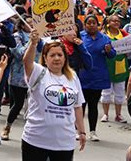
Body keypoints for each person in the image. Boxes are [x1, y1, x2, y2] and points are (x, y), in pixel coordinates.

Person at [21, 29, 86, 161]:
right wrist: (33, 44)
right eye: (52, 55)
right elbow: (27, 62)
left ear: (65, 57)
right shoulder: (39, 72)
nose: (56, 58)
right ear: (45, 58)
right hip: (36, 140)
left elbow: (78, 107)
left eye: (60, 55)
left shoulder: (72, 77)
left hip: (64, 142)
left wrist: (82, 131)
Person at [1, 15, 44, 140]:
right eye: (28, 23)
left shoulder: (38, 37)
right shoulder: (16, 37)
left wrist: (38, 41)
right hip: (19, 75)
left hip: (35, 74)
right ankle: (7, 127)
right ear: (21, 25)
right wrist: (31, 42)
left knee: (34, 105)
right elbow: (19, 54)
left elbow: (41, 51)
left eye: (33, 23)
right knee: (18, 104)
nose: (31, 26)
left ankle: (32, 132)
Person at [80, 15, 116, 141]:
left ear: (98, 24)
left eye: (93, 23)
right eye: (88, 23)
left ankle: (92, 131)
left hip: (98, 76)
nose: (91, 25)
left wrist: (108, 50)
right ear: (85, 25)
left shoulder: (104, 38)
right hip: (83, 75)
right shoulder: (80, 37)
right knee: (81, 104)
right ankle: (79, 131)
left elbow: (112, 55)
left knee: (93, 105)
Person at [101, 14, 129, 123]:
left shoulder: (123, 33)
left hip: (120, 64)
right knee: (106, 92)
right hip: (106, 64)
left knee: (120, 91)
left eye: (118, 21)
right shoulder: (103, 34)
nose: (116, 23)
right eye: (114, 21)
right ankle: (105, 114)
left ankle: (118, 115)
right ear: (108, 22)